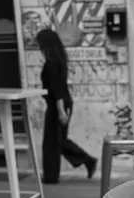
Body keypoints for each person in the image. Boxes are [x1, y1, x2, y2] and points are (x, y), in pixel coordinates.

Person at [35, 29, 97, 184]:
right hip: (61, 103)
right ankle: (87, 161)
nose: (38, 47)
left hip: (58, 105)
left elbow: (57, 89)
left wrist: (61, 111)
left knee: (51, 142)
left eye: (40, 44)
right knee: (59, 141)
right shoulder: (58, 60)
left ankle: (51, 176)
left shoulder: (52, 63)